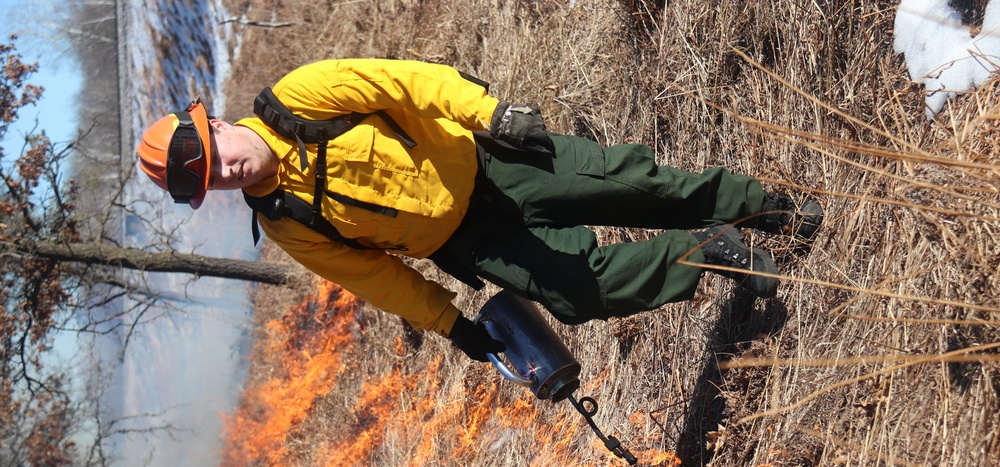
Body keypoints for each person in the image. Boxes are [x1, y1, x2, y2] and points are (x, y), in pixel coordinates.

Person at [136, 59, 822, 362]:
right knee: (578, 293)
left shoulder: (300, 97)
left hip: (492, 162)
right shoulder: (285, 221)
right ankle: (715, 249)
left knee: (633, 186)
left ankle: (770, 208)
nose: (225, 171)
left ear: (216, 124)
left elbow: (406, 81)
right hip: (470, 241)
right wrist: (448, 324)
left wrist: (491, 112)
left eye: (213, 155)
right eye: (212, 182)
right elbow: (374, 277)